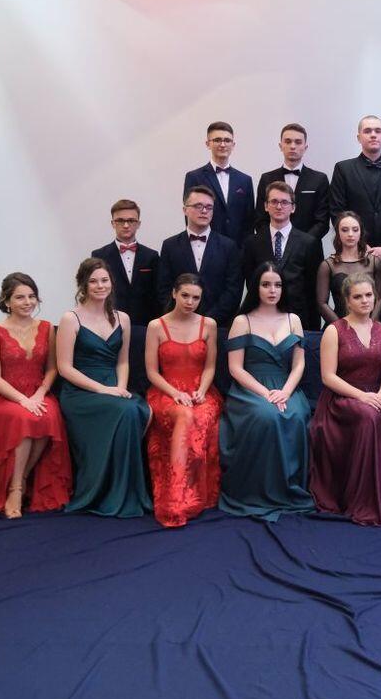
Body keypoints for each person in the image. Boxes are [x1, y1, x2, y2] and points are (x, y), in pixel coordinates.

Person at [309, 274, 381, 526]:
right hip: (341, 398)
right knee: (369, 417)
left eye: (369, 295)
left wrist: (380, 395)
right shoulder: (334, 331)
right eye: (358, 297)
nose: (365, 300)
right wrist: (362, 396)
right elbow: (328, 377)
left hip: (376, 394)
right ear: (347, 301)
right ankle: (364, 501)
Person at [0, 273, 71, 519]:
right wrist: (23, 400)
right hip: (5, 396)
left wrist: (40, 394)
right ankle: (16, 490)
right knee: (24, 418)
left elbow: (52, 368)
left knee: (48, 416)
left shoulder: (47, 328)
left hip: (38, 392)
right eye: (20, 297)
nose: (27, 302)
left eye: (32, 296)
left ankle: (20, 478)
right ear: (7, 301)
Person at [56, 258, 152, 518]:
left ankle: (127, 491)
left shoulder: (123, 318)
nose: (100, 286)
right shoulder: (71, 318)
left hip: (113, 387)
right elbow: (64, 368)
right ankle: (107, 493)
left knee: (135, 409)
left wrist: (119, 387)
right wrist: (102, 390)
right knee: (127, 411)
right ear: (83, 285)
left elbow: (123, 362)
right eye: (93, 281)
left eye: (104, 280)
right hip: (80, 392)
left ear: (111, 282)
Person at [220, 263, 316, 520]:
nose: (272, 290)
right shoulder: (242, 321)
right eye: (266, 284)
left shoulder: (293, 319)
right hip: (250, 387)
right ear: (255, 287)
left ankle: (287, 490)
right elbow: (235, 368)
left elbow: (299, 364)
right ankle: (258, 491)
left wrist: (285, 392)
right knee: (266, 416)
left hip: (286, 386)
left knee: (295, 415)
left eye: (277, 285)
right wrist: (266, 394)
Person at [143, 275, 222, 528]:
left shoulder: (209, 325)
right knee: (184, 416)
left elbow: (210, 367)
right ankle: (175, 498)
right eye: (185, 295)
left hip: (201, 392)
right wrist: (174, 393)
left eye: (196, 298)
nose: (190, 302)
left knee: (198, 416)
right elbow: (152, 372)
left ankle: (194, 495)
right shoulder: (156, 326)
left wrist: (202, 390)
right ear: (174, 293)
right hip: (166, 391)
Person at [157, 184, 244, 328]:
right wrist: (179, 317)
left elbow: (233, 290)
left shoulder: (229, 246)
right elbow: (164, 288)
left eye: (209, 207)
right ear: (185, 210)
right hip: (178, 325)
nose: (204, 211)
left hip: (218, 325)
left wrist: (208, 320)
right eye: (198, 206)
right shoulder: (170, 245)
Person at [242, 181, 323, 330]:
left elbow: (313, 290)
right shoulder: (252, 243)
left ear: (293, 207)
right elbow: (251, 283)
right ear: (266, 206)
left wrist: (313, 329)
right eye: (274, 202)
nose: (279, 207)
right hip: (261, 321)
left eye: (284, 202)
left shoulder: (309, 243)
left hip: (298, 322)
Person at [329, 115, 381, 255]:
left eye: (378, 131)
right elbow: (337, 212)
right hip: (353, 249)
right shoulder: (343, 169)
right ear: (358, 137)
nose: (373, 135)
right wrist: (359, 243)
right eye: (367, 131)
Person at [182, 120, 255, 247]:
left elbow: (249, 221)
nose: (222, 144)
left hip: (238, 249)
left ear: (233, 144)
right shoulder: (194, 177)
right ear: (208, 144)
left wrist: (245, 250)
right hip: (207, 247)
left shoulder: (245, 180)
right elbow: (190, 216)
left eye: (227, 140)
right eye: (217, 140)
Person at [253, 123, 331, 239]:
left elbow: (322, 221)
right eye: (288, 141)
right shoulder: (266, 179)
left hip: (309, 247)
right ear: (281, 146)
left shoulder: (319, 179)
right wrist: (275, 242)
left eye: (298, 142)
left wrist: (303, 244)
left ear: (305, 147)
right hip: (274, 246)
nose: (293, 146)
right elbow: (260, 219)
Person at [91, 199, 160, 327]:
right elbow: (95, 293)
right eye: (120, 220)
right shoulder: (99, 256)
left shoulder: (152, 256)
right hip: (109, 324)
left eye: (131, 220)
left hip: (145, 325)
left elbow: (157, 293)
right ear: (113, 223)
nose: (126, 225)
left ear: (138, 224)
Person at [317, 211, 381, 323]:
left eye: (355, 229)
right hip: (339, 325)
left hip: (370, 325)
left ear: (361, 232)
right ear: (338, 233)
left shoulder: (373, 262)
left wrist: (370, 324)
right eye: (344, 230)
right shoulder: (328, 265)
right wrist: (342, 328)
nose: (350, 234)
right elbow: (322, 303)